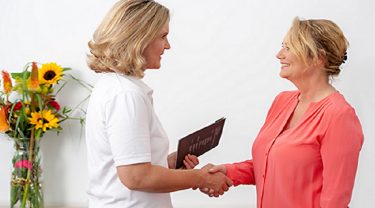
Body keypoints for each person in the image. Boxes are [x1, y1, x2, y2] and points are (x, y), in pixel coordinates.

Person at [201, 17, 364, 208]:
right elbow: (274, 165)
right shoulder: (282, 101)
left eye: (288, 47)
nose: (279, 55)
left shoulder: (339, 116)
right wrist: (230, 172)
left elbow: (335, 202)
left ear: (318, 58)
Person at [85, 0, 232, 207]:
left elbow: (130, 167)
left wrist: (166, 164)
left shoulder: (115, 87)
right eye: (163, 36)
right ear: (140, 37)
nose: (168, 45)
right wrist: (201, 177)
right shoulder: (125, 95)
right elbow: (136, 177)